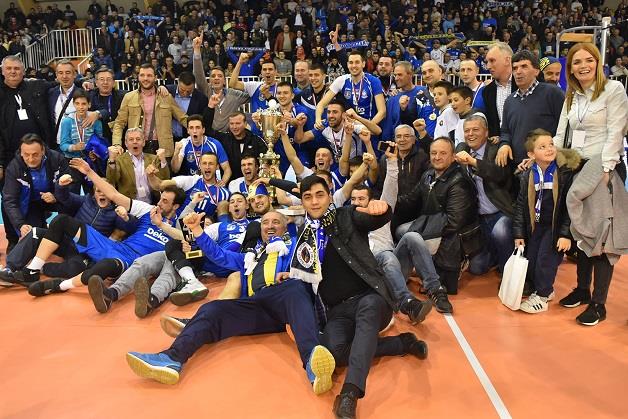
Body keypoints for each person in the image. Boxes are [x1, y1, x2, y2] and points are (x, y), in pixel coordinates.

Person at [125, 210, 338, 395]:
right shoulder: (250, 257)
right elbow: (219, 255)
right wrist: (197, 231)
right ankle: (171, 359)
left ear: (285, 228)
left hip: (286, 298)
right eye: (265, 222)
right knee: (212, 308)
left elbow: (315, 264)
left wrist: (294, 274)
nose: (270, 226)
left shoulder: (295, 247)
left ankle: (313, 364)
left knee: (294, 287)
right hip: (256, 305)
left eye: (276, 222)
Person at [22, 157, 186, 296]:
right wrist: (89, 172)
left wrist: (160, 225)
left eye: (165, 201)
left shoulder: (180, 227)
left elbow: (185, 240)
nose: (159, 203)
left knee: (104, 266)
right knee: (62, 221)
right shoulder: (148, 210)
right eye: (160, 198)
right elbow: (113, 195)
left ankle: (59, 286)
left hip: (130, 261)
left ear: (176, 206)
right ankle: (32, 270)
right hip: (112, 246)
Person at [552, 43, 628, 326]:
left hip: (602, 168)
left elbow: (616, 131)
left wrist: (606, 170)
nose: (583, 66)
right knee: (581, 232)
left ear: (598, 63)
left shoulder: (614, 90)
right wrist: (543, 156)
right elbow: (561, 133)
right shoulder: (572, 96)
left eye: (588, 60)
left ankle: (599, 304)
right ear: (570, 69)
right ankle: (583, 290)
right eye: (576, 62)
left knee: (602, 237)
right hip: (577, 167)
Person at [395, 137, 478, 298]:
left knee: (412, 237)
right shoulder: (428, 175)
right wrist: (386, 203)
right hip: (432, 223)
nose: (437, 157)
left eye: (443, 153)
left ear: (453, 157)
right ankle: (415, 267)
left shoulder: (459, 181)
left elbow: (454, 222)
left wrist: (420, 232)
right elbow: (410, 199)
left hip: (455, 234)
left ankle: (458, 262)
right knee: (401, 231)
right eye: (433, 153)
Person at [512, 129, 580, 313]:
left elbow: (569, 207)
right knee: (533, 260)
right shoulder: (527, 175)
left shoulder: (564, 173)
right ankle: (545, 290)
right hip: (537, 227)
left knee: (545, 261)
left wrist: (565, 234)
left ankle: (542, 297)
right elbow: (520, 206)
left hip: (555, 228)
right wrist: (519, 233)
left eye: (551, 144)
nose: (549, 149)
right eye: (542, 147)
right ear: (531, 154)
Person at [455, 114, 514, 275]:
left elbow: (499, 174)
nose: (470, 134)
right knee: (477, 268)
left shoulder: (496, 149)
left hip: (501, 211)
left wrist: (473, 162)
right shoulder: (462, 150)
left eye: (475, 129)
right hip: (479, 219)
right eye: (467, 130)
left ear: (486, 132)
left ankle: (508, 273)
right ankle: (496, 255)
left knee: (500, 233)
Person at [1, 134, 69, 253]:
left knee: (71, 204)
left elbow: (71, 184)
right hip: (31, 203)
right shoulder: (14, 168)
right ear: (21, 153)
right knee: (36, 240)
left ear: (43, 151)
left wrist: (56, 196)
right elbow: (10, 200)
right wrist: (20, 225)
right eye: (26, 155)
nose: (31, 159)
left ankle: (70, 238)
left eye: (35, 154)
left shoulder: (57, 159)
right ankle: (13, 240)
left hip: (54, 198)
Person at [496, 50, 565, 167]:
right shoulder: (509, 101)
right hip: (517, 166)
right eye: (515, 68)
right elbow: (505, 131)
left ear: (537, 71)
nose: (518, 72)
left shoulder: (553, 93)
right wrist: (504, 144)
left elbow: (563, 130)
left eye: (524, 66)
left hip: (546, 165)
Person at [112, 64, 188, 156]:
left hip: (163, 148)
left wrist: (198, 131)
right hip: (137, 147)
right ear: (138, 77)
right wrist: (116, 144)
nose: (145, 78)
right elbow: (119, 123)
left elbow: (182, 118)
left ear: (155, 78)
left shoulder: (166, 97)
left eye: (149, 75)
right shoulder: (129, 97)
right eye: (142, 75)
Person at [192, 35, 248, 132]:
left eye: (220, 76)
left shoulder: (233, 94)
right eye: (213, 76)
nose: (216, 78)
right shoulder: (206, 91)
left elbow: (253, 94)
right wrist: (197, 51)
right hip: (209, 136)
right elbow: (198, 75)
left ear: (224, 81)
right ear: (209, 81)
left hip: (228, 136)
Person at [202, 105, 267, 180]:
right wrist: (210, 107)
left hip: (253, 184)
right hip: (230, 184)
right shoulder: (223, 139)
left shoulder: (256, 141)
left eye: (238, 123)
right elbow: (207, 130)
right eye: (232, 124)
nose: (234, 127)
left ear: (245, 124)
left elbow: (267, 162)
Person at [106, 128, 169, 203]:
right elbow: (112, 180)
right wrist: (112, 160)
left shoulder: (153, 159)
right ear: (126, 143)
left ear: (143, 142)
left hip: (151, 203)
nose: (135, 142)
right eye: (131, 139)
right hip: (129, 204)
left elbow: (165, 179)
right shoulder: (119, 160)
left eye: (138, 139)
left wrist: (163, 161)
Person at [170, 115, 231, 181]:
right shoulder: (183, 143)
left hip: (210, 182)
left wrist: (222, 183)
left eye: (197, 128)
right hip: (191, 183)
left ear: (203, 130)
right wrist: (176, 153)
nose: (194, 131)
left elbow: (227, 169)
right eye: (191, 128)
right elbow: (175, 169)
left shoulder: (214, 144)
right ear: (188, 130)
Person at [482, 42, 516, 141]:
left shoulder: (523, 84)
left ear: (507, 60)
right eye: (487, 62)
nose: (488, 66)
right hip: (500, 146)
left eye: (492, 61)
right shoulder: (487, 91)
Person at [166, 71, 208, 142]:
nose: (185, 93)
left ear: (194, 86)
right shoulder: (168, 91)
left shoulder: (201, 99)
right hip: (168, 138)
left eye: (189, 91)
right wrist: (161, 87)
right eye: (182, 90)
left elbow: (203, 121)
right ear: (178, 83)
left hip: (189, 139)